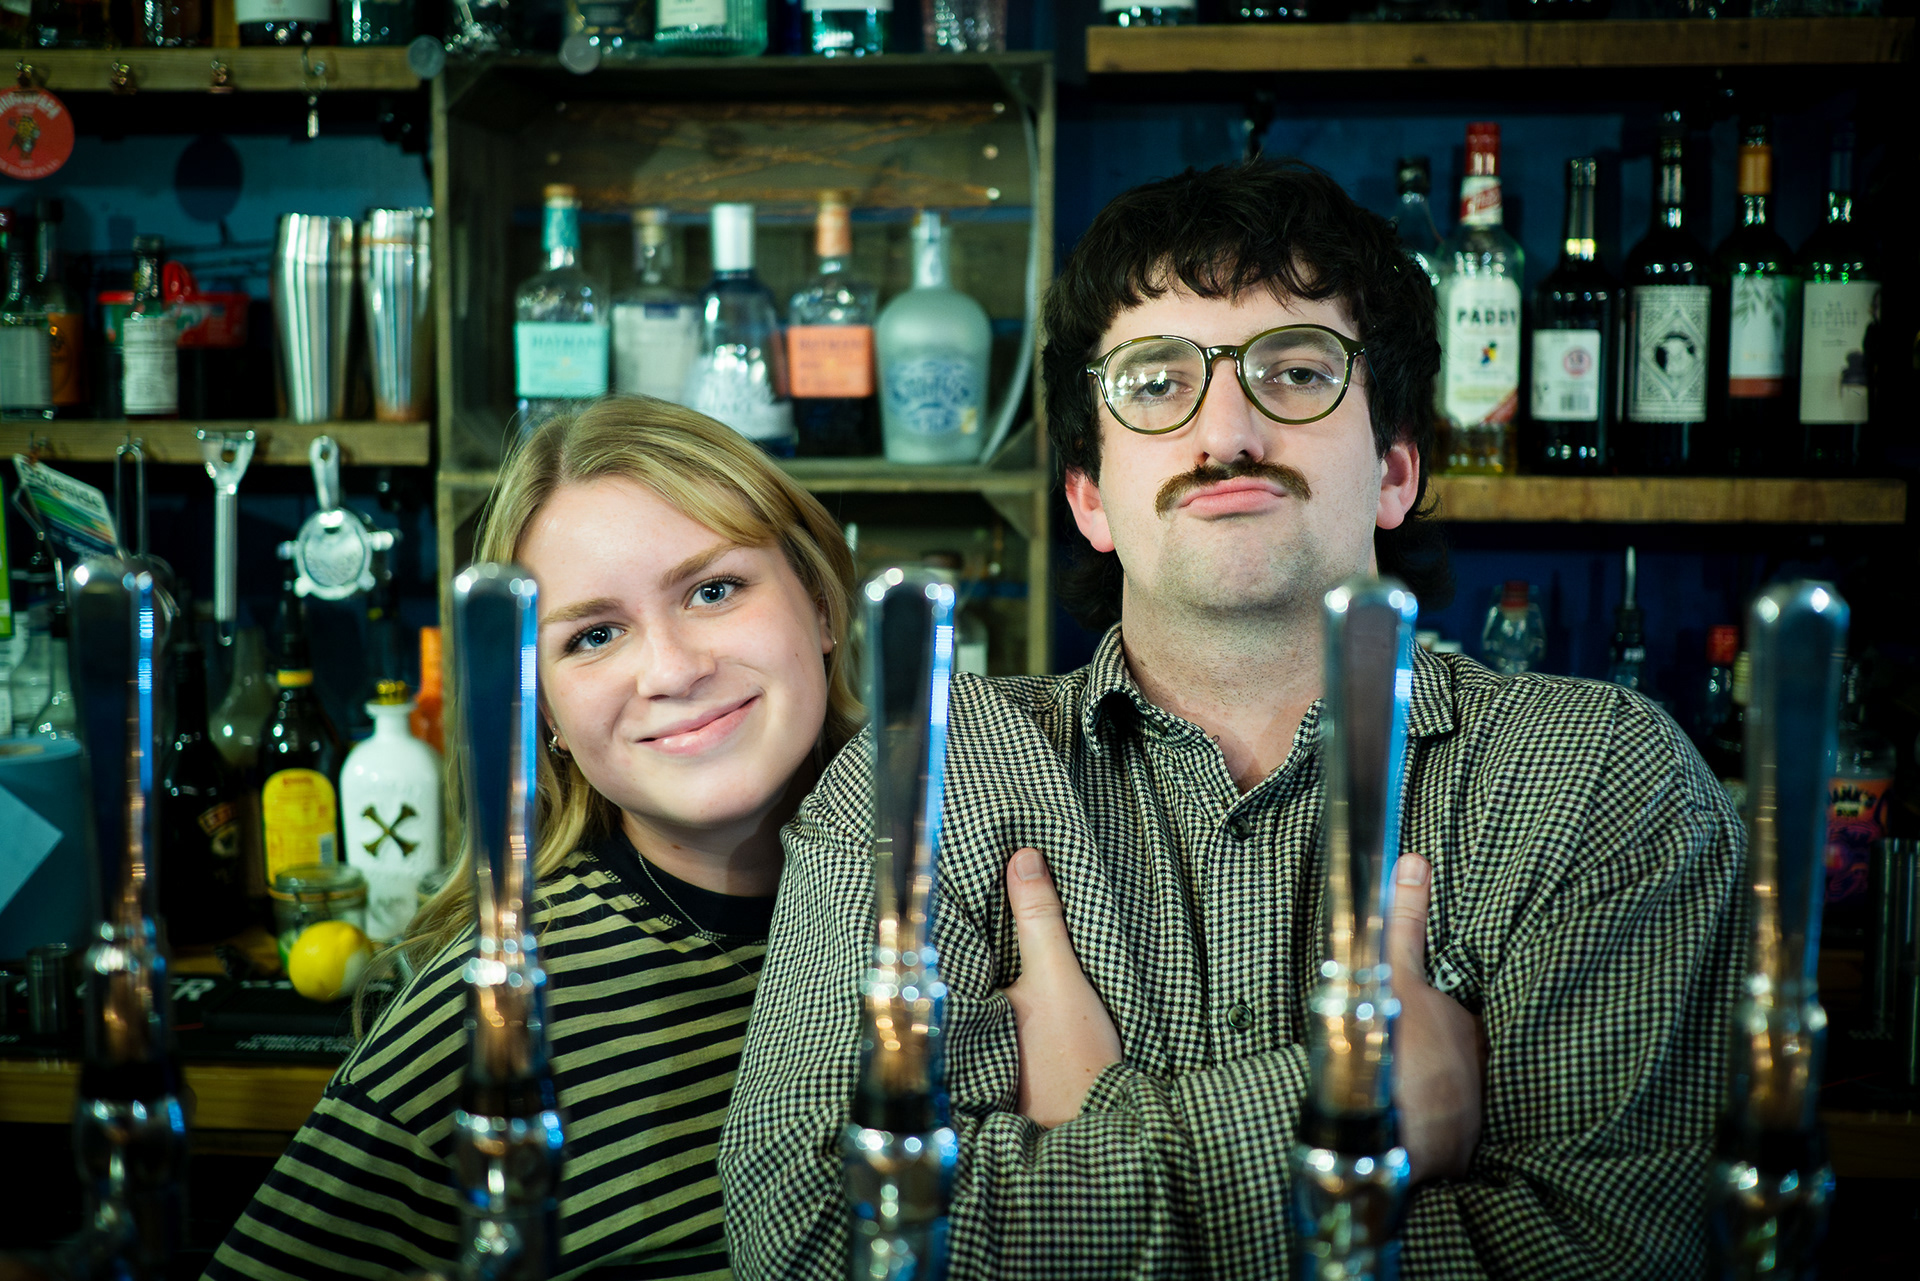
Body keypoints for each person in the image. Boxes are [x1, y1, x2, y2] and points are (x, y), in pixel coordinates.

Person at [719, 161, 1745, 1278]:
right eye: (1156, 383)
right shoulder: (931, 774)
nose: (1227, 433)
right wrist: (1362, 1101)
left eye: (1296, 372)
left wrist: (1096, 1125)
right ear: (1088, 496)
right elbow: (819, 1234)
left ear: (1396, 470)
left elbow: (1616, 1251)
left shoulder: (1598, 778)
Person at [207, 398, 860, 1280]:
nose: (672, 669)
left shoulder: (974, 890)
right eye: (596, 635)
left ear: (820, 604)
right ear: (542, 707)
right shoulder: (484, 1011)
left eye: (713, 589)